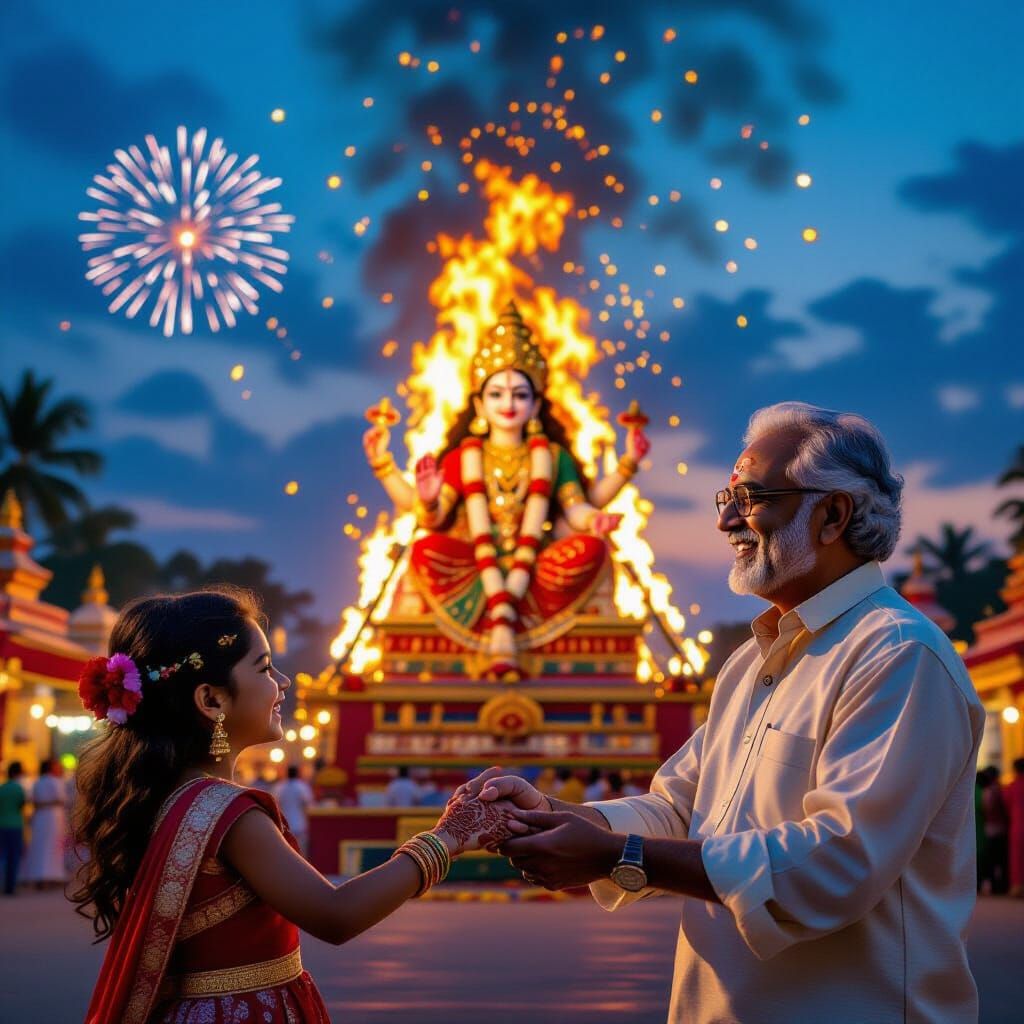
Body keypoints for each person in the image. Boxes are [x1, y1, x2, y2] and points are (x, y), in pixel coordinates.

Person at [463, 402, 986, 1023]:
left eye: (753, 498)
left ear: (832, 514)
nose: (727, 521)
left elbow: (837, 863)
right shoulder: (750, 663)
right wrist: (551, 815)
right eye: (726, 498)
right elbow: (682, 809)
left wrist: (616, 856)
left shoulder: (898, 653)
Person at [71, 587, 516, 1024]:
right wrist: (447, 839)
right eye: (264, 668)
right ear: (211, 700)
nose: (283, 682)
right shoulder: (229, 814)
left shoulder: (163, 796)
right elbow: (335, 915)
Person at [363, 301, 648, 680]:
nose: (508, 403)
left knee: (591, 548)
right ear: (479, 404)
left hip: (536, 567)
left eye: (519, 395)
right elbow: (427, 517)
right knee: (425, 550)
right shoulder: (463, 457)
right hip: (472, 566)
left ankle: (504, 623)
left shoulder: (552, 455)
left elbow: (575, 508)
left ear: (535, 405)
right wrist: (416, 487)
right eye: (496, 394)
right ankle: (501, 621)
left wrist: (601, 512)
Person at [23, 758, 67, 887]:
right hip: (53, 816)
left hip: (40, 816)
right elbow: (62, 798)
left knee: (40, 845)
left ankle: (39, 875)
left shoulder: (37, 781)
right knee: (54, 845)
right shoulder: (56, 781)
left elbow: (31, 799)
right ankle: (52, 876)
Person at [980, 765, 1009, 893]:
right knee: (1002, 860)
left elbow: (986, 810)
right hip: (1002, 829)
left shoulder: (987, 792)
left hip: (991, 830)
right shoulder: (1002, 789)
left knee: (992, 860)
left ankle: (994, 886)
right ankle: (1002, 886)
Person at [0, 761, 26, 895]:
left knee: (2, 856)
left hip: (1, 825)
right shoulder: (18, 788)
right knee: (14, 857)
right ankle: (10, 888)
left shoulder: (2, 788)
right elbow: (22, 804)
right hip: (15, 825)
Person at [275, 765, 315, 854]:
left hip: (284, 824)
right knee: (300, 853)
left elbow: (274, 802)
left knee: (286, 852)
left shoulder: (280, 787)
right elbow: (309, 804)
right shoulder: (302, 786)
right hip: (299, 824)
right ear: (297, 773)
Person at [1006, 756, 1024, 898]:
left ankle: (1017, 887)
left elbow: (1005, 805)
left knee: (1017, 857)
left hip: (1017, 826)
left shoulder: (1011, 787)